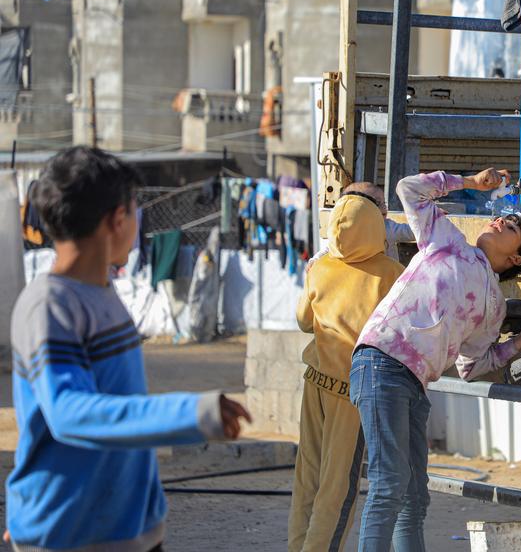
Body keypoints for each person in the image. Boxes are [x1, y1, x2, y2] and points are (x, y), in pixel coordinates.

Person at [4, 147, 252, 552]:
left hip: (128, 529)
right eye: (135, 206)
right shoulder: (49, 305)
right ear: (117, 219)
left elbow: (121, 410)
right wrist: (189, 413)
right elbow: (70, 413)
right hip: (72, 534)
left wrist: (150, 512)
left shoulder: (102, 293)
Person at [350, 168, 521, 551]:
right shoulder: (447, 239)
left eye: (510, 226)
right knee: (390, 482)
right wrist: (469, 183)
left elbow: (471, 367)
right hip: (380, 361)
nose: (499, 220)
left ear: (514, 257)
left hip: (410, 381)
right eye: (501, 217)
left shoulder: (494, 306)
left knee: (414, 495)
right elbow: (408, 189)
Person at [288, 189, 405, 551]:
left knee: (308, 477)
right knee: (339, 488)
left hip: (314, 381)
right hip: (350, 391)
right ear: (374, 222)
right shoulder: (391, 274)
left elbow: (304, 322)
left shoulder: (319, 268)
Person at [307, 181, 415, 265]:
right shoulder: (349, 229)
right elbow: (331, 247)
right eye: (377, 203)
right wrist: (315, 260)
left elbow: (412, 232)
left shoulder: (387, 227)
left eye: (384, 202)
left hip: (386, 278)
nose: (384, 207)